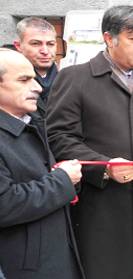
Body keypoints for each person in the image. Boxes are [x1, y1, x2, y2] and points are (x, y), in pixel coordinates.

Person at [46, 5, 133, 279]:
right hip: (102, 205)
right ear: (109, 38)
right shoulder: (76, 79)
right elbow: (59, 136)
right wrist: (103, 166)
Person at [0, 49, 84, 279]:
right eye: (24, 80)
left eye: (34, 78)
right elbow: (5, 204)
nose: (37, 86)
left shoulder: (33, 124)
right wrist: (62, 180)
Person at [13, 17, 58, 117]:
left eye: (50, 44)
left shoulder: (67, 80)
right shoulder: (6, 80)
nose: (45, 51)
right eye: (36, 44)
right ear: (18, 46)